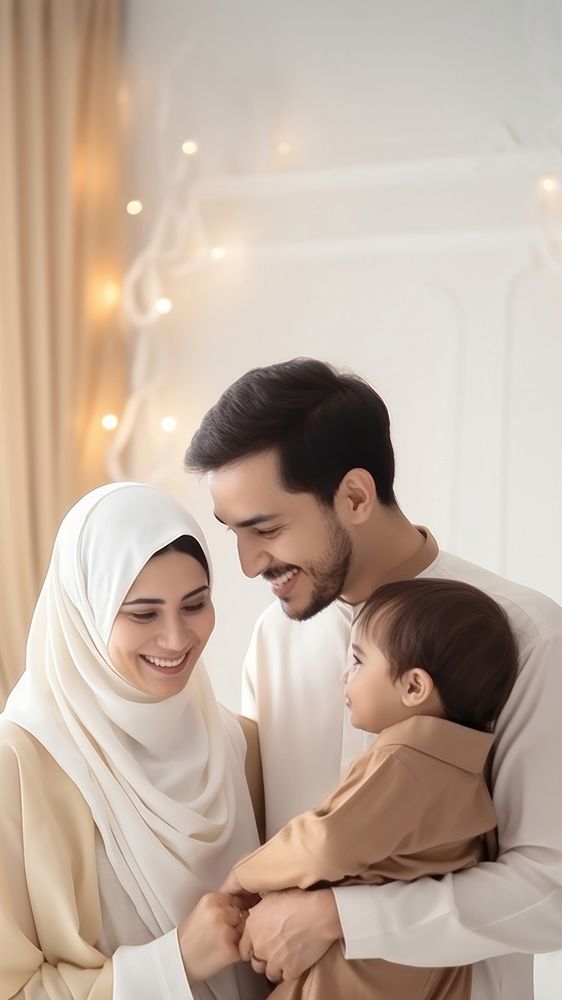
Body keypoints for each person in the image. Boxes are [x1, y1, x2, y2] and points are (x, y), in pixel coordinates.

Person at [185, 357, 562, 1000]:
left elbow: (551, 890)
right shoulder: (277, 638)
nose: (248, 565)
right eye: (235, 535)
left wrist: (343, 919)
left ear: (356, 496)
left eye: (267, 529)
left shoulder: (525, 634)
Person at [0, 482, 271, 1000]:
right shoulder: (18, 765)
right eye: (143, 613)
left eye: (195, 604)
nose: (176, 638)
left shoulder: (240, 746)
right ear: (86, 615)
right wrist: (174, 965)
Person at [221, 577, 519, 999]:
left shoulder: (403, 762)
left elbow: (326, 842)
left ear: (414, 687)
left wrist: (247, 873)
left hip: (347, 975)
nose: (346, 674)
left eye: (359, 661)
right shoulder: (464, 776)